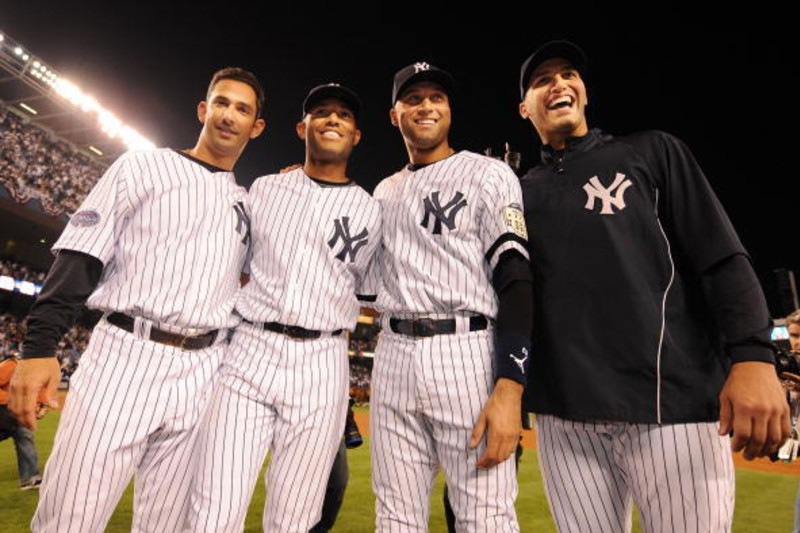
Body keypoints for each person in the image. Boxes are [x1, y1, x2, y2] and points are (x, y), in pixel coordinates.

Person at [517, 40, 789, 533]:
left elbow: (720, 257)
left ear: (584, 92)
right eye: (541, 80)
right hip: (564, 418)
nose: (558, 83)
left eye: (568, 75)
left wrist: (753, 356)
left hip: (671, 405)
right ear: (524, 107)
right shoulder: (519, 190)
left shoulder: (650, 151)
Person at [9, 67, 265, 532]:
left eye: (243, 109)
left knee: (166, 525)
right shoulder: (143, 165)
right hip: (126, 356)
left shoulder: (246, 204)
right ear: (204, 110)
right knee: (69, 518)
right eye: (222, 103)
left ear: (257, 126)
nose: (230, 115)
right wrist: (40, 347)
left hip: (202, 372)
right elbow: (82, 251)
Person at [186, 83, 381, 533]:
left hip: (322, 361)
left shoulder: (373, 212)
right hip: (251, 350)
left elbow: (369, 295)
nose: (333, 119)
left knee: (295, 516)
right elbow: (229, 264)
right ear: (302, 127)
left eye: (344, 116)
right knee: (213, 506)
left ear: (356, 136)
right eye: (321, 112)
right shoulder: (264, 189)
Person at [368, 62, 533, 532]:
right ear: (394, 114)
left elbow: (516, 276)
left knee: (485, 516)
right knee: (394, 517)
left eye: (436, 97)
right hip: (393, 352)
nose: (426, 106)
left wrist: (510, 384)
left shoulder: (489, 174)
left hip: (465, 351)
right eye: (414, 98)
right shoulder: (384, 191)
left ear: (450, 110)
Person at [0, 354, 43, 490]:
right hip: (3, 410)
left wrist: (38, 408)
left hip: (18, 413)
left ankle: (30, 478)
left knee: (26, 438)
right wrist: (10, 399)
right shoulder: (11, 365)